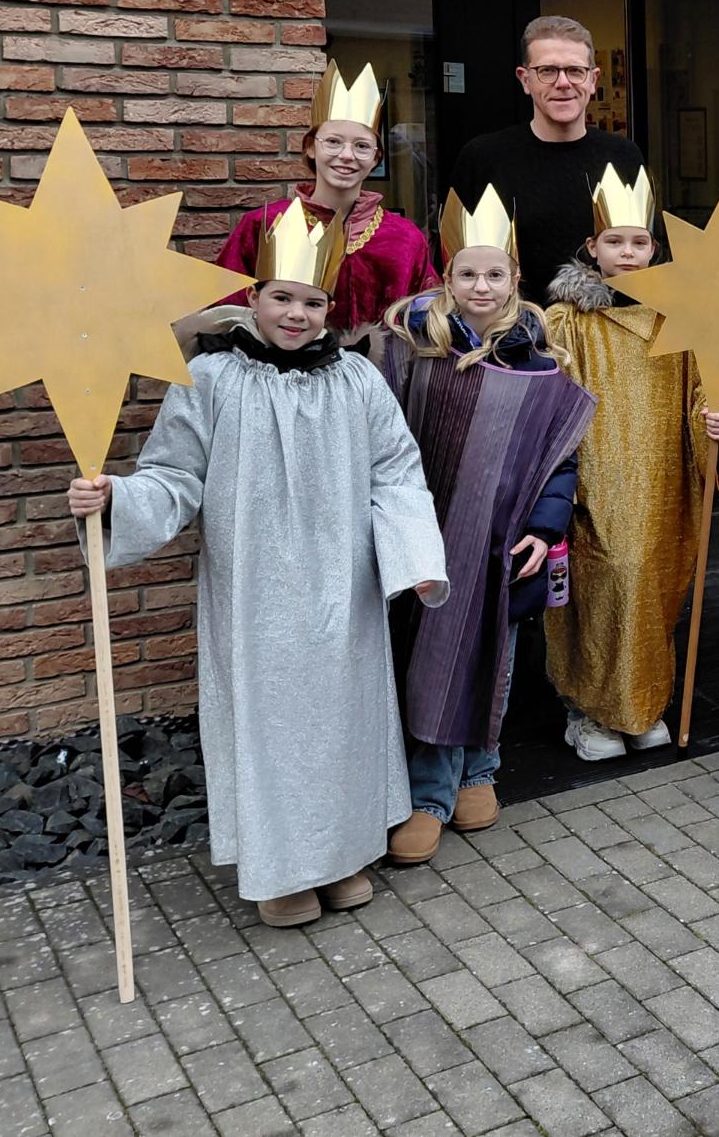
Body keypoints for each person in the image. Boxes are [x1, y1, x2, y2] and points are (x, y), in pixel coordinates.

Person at [67, 206, 448, 929]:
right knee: (272, 722)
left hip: (344, 582)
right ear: (252, 297)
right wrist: (116, 497)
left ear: (331, 306)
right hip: (254, 586)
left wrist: (415, 559)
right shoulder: (209, 379)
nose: (297, 314)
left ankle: (340, 856)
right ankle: (280, 871)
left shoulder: (359, 384)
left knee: (344, 718)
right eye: (281, 297)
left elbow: (396, 473)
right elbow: (175, 475)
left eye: (312, 301)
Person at [380, 187, 594, 864]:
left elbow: (559, 455)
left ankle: (478, 769)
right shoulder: (413, 346)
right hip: (430, 526)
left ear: (515, 278)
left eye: (494, 273)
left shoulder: (538, 359)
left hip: (501, 535)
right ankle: (430, 792)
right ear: (448, 276)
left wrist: (543, 524)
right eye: (467, 273)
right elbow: (385, 435)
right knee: (431, 653)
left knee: (491, 655)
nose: (481, 286)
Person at [543, 164, 719, 760]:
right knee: (603, 585)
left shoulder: (680, 316)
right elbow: (548, 399)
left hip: (663, 479)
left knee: (652, 588)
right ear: (591, 247)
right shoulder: (566, 321)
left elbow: (708, 385)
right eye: (614, 242)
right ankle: (592, 711)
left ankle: (645, 703)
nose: (627, 253)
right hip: (593, 480)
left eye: (639, 242)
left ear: (656, 248)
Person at [215, 59, 437, 346]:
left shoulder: (405, 238)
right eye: (333, 142)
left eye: (361, 146)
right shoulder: (264, 224)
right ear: (310, 146)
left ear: (376, 158)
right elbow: (223, 313)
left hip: (380, 383)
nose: (346, 155)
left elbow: (428, 318)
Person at [447, 15, 646, 303]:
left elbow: (649, 259)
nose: (563, 83)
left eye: (575, 71)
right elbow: (457, 266)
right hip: (513, 338)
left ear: (593, 79)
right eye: (547, 71)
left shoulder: (623, 155)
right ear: (525, 79)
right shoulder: (484, 157)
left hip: (608, 336)